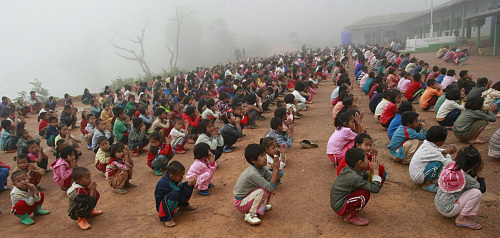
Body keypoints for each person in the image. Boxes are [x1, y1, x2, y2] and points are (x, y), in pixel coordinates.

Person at [435, 146, 485, 230]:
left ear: (456, 158)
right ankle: (461, 219)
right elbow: (482, 189)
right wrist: (479, 172)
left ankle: (459, 214)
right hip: (448, 210)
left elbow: (466, 181)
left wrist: (474, 171)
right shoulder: (465, 177)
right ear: (476, 165)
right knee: (476, 193)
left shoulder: (450, 165)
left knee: (468, 187)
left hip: (438, 202)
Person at [330, 148, 382, 226]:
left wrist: (372, 171)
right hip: (339, 207)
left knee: (365, 187)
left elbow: (367, 178)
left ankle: (350, 209)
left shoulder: (354, 169)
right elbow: (375, 189)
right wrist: (375, 171)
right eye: (366, 159)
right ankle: (350, 216)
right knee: (365, 192)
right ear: (360, 163)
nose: (368, 161)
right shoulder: (354, 177)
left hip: (339, 201)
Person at [233, 144, 281, 225]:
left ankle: (260, 206)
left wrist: (277, 169)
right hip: (241, 203)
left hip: (248, 197)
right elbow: (270, 187)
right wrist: (275, 170)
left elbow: (276, 181)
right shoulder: (252, 173)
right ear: (253, 160)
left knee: (267, 186)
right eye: (262, 156)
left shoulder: (262, 167)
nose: (265, 157)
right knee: (263, 190)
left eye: (264, 154)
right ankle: (250, 215)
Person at [409, 126, 458, 192]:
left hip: (416, 173)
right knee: (438, 163)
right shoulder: (434, 151)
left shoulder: (426, 143)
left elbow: (437, 150)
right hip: (418, 177)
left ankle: (429, 180)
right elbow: (448, 164)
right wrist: (448, 154)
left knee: (439, 159)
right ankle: (427, 184)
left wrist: (446, 151)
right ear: (439, 141)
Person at [154, 160, 197, 227]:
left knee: (184, 185)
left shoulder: (170, 178)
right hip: (162, 207)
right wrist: (189, 186)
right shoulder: (167, 183)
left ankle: (183, 206)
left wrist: (188, 185)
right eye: (180, 176)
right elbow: (182, 197)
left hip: (169, 197)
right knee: (176, 193)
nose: (182, 178)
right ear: (172, 176)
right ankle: (166, 217)